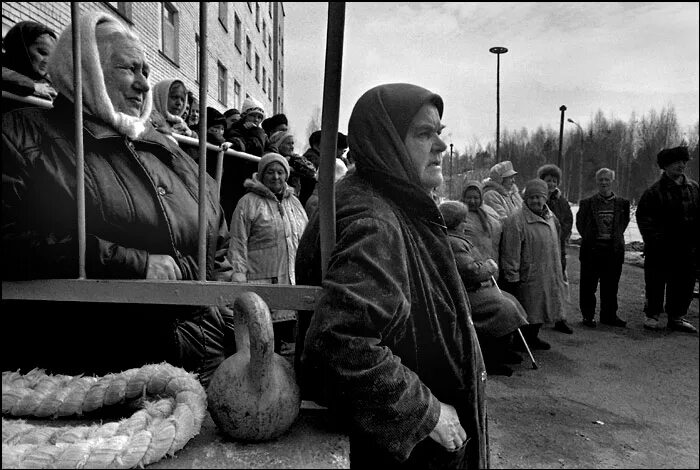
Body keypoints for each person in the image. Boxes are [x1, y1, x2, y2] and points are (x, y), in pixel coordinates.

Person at [1, 12, 235, 385]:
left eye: (146, 70)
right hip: (96, 383)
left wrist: (232, 335)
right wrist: (132, 264)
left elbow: (219, 251)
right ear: (85, 69)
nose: (144, 84)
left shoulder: (168, 150)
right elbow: (10, 242)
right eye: (130, 69)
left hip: (204, 369)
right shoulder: (24, 134)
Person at [294, 83, 488, 468]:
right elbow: (340, 341)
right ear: (385, 141)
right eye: (423, 133)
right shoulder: (375, 218)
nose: (440, 146)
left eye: (439, 132)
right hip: (404, 453)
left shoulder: (384, 200)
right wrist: (427, 413)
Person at [227, 153, 308, 352]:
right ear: (261, 175)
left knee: (289, 346)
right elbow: (237, 242)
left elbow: (306, 239)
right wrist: (237, 276)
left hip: (291, 284)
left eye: (280, 172)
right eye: (270, 172)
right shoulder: (248, 202)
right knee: (262, 346)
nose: (276, 177)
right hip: (260, 284)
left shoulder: (295, 204)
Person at [440, 201, 529, 377]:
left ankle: (503, 350)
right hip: (464, 293)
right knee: (503, 308)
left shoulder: (457, 239)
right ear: (454, 222)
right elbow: (470, 271)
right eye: (463, 220)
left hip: (473, 289)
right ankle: (491, 358)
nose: (466, 224)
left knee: (510, 301)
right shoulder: (453, 242)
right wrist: (489, 266)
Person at [636, 146, 699, 333]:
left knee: (684, 284)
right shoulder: (654, 192)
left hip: (688, 249)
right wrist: (656, 241)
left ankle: (677, 317)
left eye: (683, 162)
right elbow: (644, 220)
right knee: (656, 282)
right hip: (661, 249)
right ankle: (653, 315)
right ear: (665, 166)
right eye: (676, 163)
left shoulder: (694, 188)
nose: (681, 166)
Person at [500, 179, 568, 350]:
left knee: (541, 310)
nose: (536, 201)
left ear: (545, 198)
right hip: (528, 274)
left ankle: (533, 338)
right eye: (532, 197)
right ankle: (521, 342)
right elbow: (510, 251)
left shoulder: (550, 216)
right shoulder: (516, 220)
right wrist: (512, 276)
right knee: (528, 311)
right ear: (525, 199)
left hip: (548, 271)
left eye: (539, 197)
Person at [576, 168, 631, 328]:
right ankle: (588, 316)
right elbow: (580, 224)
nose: (604, 182)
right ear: (597, 181)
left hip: (613, 252)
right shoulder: (587, 203)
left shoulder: (622, 204)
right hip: (591, 251)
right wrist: (591, 237)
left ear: (612, 181)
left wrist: (613, 239)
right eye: (601, 180)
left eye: (607, 179)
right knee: (588, 286)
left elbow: (622, 224)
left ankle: (609, 316)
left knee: (611, 286)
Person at [537, 163, 575, 334]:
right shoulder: (535, 197)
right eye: (548, 180)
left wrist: (559, 236)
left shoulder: (561, 201)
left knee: (560, 282)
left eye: (554, 180)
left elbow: (567, 220)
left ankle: (560, 317)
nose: (551, 184)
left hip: (558, 247)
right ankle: (539, 317)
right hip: (540, 248)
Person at [2, 21, 58, 101]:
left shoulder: (50, 85)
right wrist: (33, 86)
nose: (48, 61)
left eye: (51, 57)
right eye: (43, 52)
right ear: (20, 48)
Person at [269, 130, 318, 205]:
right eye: (288, 144)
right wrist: (284, 162)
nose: (292, 147)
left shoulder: (294, 159)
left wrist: (295, 159)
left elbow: (311, 171)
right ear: (278, 144)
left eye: (292, 144)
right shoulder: (269, 157)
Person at [460, 180, 502, 264]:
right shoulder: (458, 215)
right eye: (469, 198)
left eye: (476, 198)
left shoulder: (490, 213)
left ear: (481, 198)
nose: (472, 201)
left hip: (492, 265)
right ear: (463, 197)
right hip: (471, 267)